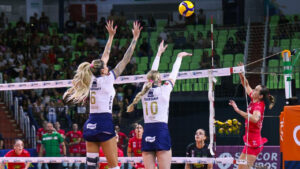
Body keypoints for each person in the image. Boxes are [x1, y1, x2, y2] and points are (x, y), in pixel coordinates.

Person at [63, 21, 142, 169]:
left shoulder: (90, 78)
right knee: (114, 166)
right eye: (106, 66)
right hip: (104, 123)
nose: (108, 66)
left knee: (92, 166)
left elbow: (104, 56)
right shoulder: (108, 79)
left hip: (90, 125)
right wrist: (135, 39)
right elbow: (125, 60)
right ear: (103, 71)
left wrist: (111, 37)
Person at [127, 40, 192, 169]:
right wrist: (179, 57)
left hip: (148, 131)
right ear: (160, 80)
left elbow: (152, 71)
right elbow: (174, 73)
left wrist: (158, 54)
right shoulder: (165, 89)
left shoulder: (144, 90)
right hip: (161, 131)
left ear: (149, 80)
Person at [228, 63, 275, 169]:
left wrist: (237, 110)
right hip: (249, 142)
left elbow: (254, 119)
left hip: (254, 144)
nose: (253, 90)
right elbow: (246, 85)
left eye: (256, 90)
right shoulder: (254, 98)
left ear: (261, 96)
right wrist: (241, 73)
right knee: (240, 167)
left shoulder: (259, 106)